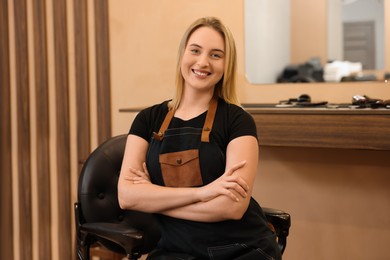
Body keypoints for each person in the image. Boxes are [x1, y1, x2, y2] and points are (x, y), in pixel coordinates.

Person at [118, 16, 281, 260]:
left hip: (241, 248)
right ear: (183, 54)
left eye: (216, 55)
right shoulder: (148, 120)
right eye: (195, 51)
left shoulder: (238, 121)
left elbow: (232, 207)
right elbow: (127, 197)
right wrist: (204, 193)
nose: (203, 62)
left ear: (227, 64)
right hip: (175, 250)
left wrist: (154, 198)